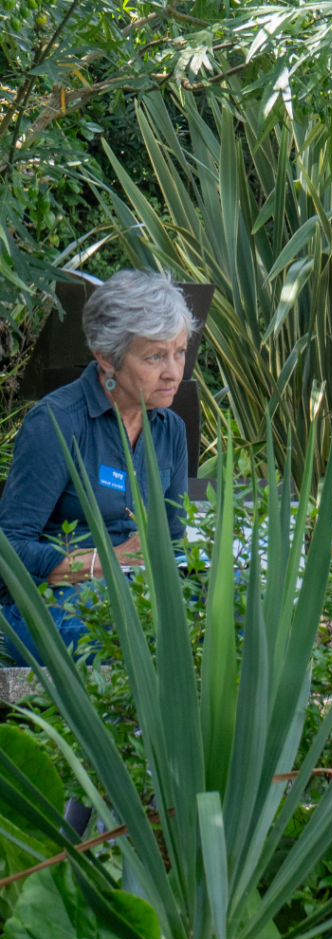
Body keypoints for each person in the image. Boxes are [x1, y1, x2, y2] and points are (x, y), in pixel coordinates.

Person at [0, 269, 193, 666]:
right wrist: (107, 560)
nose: (174, 372)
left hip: (142, 599)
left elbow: (173, 547)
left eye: (180, 351)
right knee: (135, 628)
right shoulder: (57, 423)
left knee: (250, 605)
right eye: (155, 356)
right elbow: (9, 552)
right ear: (106, 357)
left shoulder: (169, 429)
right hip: (47, 608)